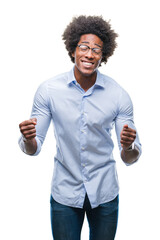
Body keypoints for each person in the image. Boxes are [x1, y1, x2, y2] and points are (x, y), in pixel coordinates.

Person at [19, 15, 142, 240]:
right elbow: (33, 148)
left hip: (104, 193)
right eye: (84, 47)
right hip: (65, 193)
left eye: (96, 49)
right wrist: (28, 139)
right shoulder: (49, 90)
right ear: (73, 49)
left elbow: (130, 157)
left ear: (103, 55)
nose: (89, 54)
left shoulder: (118, 95)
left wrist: (128, 145)